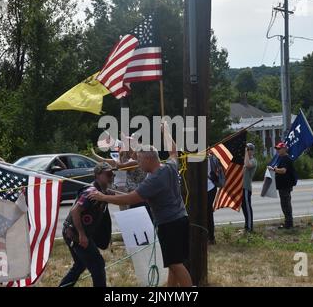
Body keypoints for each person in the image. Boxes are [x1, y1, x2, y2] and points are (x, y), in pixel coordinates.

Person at [88, 123, 193, 287]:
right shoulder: (170, 167)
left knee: (175, 264)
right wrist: (165, 131)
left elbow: (130, 199)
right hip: (181, 219)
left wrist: (103, 197)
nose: (138, 162)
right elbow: (173, 151)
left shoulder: (153, 180)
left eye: (140, 159)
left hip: (169, 224)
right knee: (173, 262)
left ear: (149, 159)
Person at [59, 162, 114, 287]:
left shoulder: (104, 191)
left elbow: (120, 196)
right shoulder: (90, 192)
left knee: (80, 265)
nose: (111, 177)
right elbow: (75, 211)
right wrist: (82, 235)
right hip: (74, 234)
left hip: (72, 232)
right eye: (108, 174)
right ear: (98, 175)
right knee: (98, 265)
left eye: (112, 174)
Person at [268, 142, 297, 229]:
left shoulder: (286, 159)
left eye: (279, 148)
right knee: (284, 204)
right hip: (282, 185)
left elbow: (283, 171)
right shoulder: (280, 158)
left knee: (286, 204)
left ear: (284, 149)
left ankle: (289, 224)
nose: (277, 150)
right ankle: (287, 222)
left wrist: (273, 169)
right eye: (277, 148)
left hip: (286, 185)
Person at [242, 143, 257, 233]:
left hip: (246, 187)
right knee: (244, 208)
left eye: (250, 149)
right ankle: (246, 226)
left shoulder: (253, 160)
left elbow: (247, 165)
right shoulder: (245, 160)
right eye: (248, 149)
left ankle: (250, 228)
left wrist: (245, 153)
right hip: (241, 188)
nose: (248, 151)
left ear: (253, 151)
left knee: (247, 208)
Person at [207, 152, 218, 244]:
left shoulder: (212, 158)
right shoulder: (195, 158)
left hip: (210, 187)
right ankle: (207, 236)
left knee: (208, 212)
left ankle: (211, 237)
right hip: (201, 188)